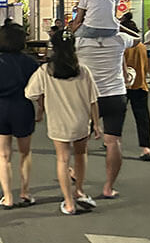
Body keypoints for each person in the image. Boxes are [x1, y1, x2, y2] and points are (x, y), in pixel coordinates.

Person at [26, 30, 102, 215]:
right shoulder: (83, 71)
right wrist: (97, 124)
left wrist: (42, 103)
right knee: (81, 154)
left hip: (58, 123)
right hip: (81, 122)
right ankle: (79, 191)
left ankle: (68, 203)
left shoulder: (45, 71)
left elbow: (30, 93)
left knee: (62, 159)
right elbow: (93, 100)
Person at [74, 11, 137, 200]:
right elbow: (138, 38)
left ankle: (78, 185)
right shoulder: (120, 39)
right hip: (116, 95)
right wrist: (119, 25)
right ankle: (108, 188)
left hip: (88, 96)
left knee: (80, 142)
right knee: (113, 141)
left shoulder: (80, 42)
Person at [0, 23, 39, 209]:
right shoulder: (31, 62)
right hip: (23, 107)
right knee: (25, 152)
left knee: (3, 155)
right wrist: (41, 109)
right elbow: (38, 90)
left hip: (0, 107)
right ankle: (25, 192)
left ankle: (7, 197)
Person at [121, 17, 150, 161]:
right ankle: (145, 148)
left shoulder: (122, 46)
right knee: (142, 117)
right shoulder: (142, 46)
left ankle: (112, 141)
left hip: (122, 86)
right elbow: (145, 66)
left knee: (116, 115)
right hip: (140, 85)